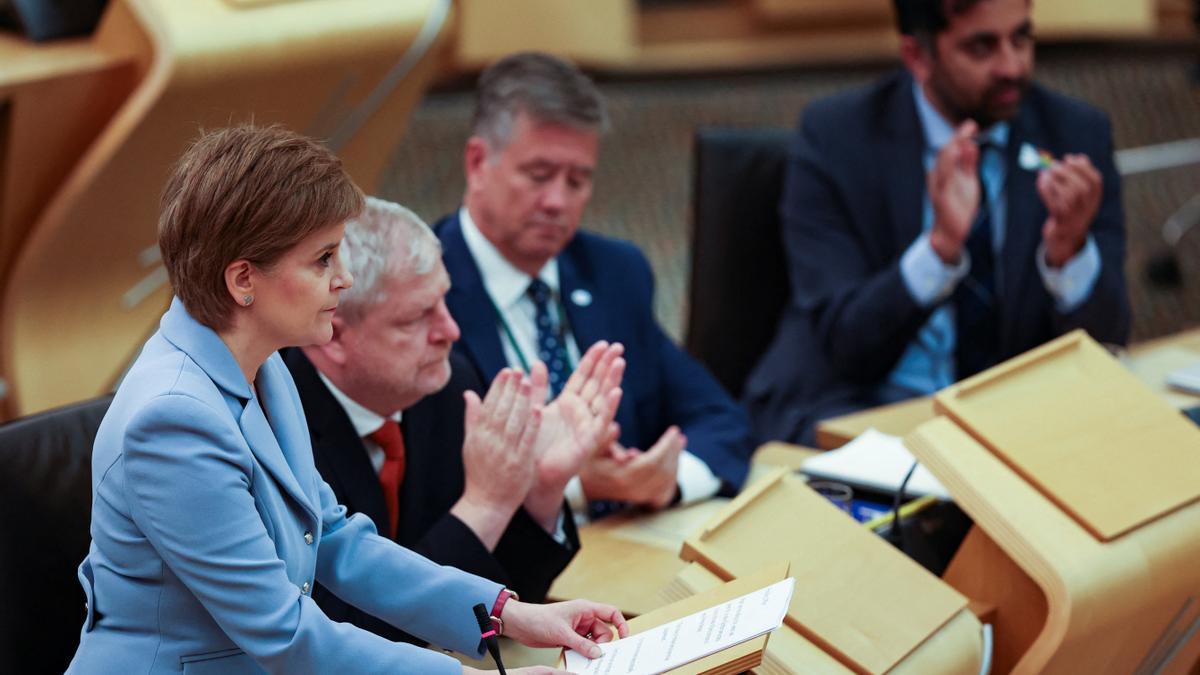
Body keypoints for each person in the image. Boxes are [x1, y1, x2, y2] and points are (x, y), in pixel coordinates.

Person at [67, 125, 626, 674]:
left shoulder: (263, 365)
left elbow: (334, 539)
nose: (346, 279)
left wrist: (508, 614)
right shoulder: (173, 421)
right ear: (243, 281)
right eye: (324, 259)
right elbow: (285, 633)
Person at [744, 0, 1131, 445]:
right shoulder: (836, 137)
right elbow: (845, 345)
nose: (1012, 66)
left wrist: (1070, 253)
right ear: (918, 57)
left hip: (1012, 422)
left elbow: (1108, 342)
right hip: (867, 407)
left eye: (1021, 38)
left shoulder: (1074, 134)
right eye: (981, 47)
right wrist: (940, 250)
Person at [283, 197, 624, 640]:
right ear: (332, 334)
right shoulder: (277, 426)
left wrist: (538, 488)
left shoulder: (443, 382)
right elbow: (338, 636)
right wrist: (486, 506)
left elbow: (508, 600)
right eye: (416, 317)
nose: (450, 330)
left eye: (443, 301)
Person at [434, 51, 754, 518]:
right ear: (479, 162)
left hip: (630, 544)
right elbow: (432, 485)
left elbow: (721, 420)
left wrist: (667, 479)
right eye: (538, 175)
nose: (557, 201)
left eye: (578, 181)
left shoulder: (614, 271)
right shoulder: (423, 293)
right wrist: (574, 486)